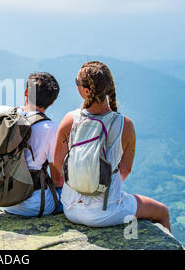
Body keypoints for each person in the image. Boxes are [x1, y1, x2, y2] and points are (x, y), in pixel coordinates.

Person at [52, 61, 171, 232]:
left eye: (76, 82)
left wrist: (82, 180)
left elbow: (57, 166)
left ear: (86, 91)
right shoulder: (125, 125)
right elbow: (125, 170)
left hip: (69, 208)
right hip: (106, 211)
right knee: (162, 212)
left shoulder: (69, 120)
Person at [0, 72, 63, 217]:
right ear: (52, 101)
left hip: (2, 199)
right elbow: (57, 178)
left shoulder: (7, 115)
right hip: (35, 205)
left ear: (26, 92)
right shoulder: (51, 128)